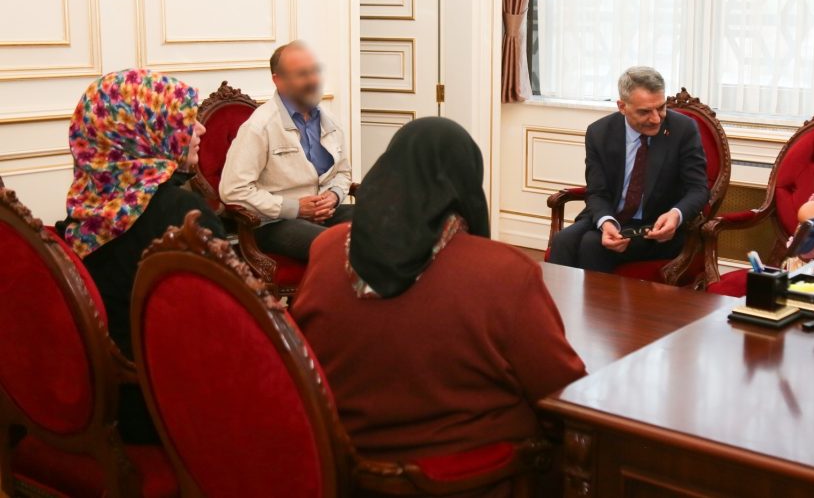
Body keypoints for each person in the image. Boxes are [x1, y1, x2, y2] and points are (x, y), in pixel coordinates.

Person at [292, 118, 585, 493]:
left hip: (346, 463)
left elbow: (305, 354)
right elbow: (562, 392)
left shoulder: (327, 248)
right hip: (473, 478)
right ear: (466, 183)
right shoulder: (505, 272)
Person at [60, 68, 225, 443]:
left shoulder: (87, 204)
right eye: (187, 120)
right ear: (146, 132)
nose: (200, 129)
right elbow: (225, 333)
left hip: (98, 397)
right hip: (166, 409)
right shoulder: (183, 215)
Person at [547, 66, 709, 273]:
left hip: (657, 226)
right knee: (563, 240)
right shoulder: (599, 133)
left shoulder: (683, 129)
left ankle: (600, 307)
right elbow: (597, 191)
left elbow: (698, 188)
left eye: (661, 107)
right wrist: (606, 222)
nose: (656, 118)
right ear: (622, 106)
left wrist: (676, 215)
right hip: (612, 213)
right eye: (645, 111)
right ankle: (554, 305)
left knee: (591, 244)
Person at [219, 40, 353, 261]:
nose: (313, 80)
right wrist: (295, 208)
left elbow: (343, 173)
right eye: (302, 74)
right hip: (274, 223)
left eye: (314, 72)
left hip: (323, 215)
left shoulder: (329, 121)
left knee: (379, 225)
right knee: (336, 247)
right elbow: (233, 190)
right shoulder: (259, 127)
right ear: (278, 80)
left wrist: (334, 195)